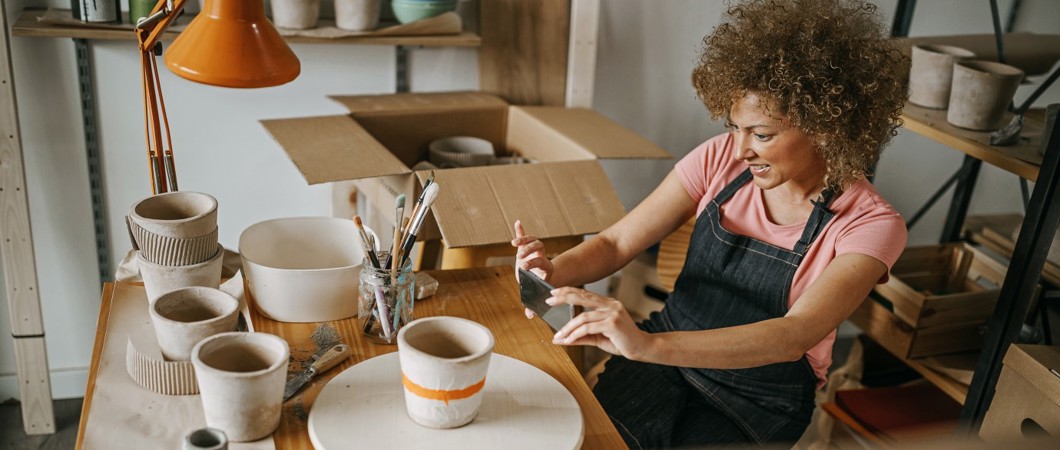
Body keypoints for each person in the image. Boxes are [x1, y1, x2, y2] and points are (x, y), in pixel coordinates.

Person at [511, 0, 909, 447]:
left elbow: (793, 335)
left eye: (760, 134)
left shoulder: (870, 224)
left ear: (825, 127)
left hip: (762, 395)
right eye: (734, 127)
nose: (740, 150)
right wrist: (552, 272)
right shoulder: (719, 158)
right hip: (667, 352)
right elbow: (617, 242)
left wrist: (646, 346)